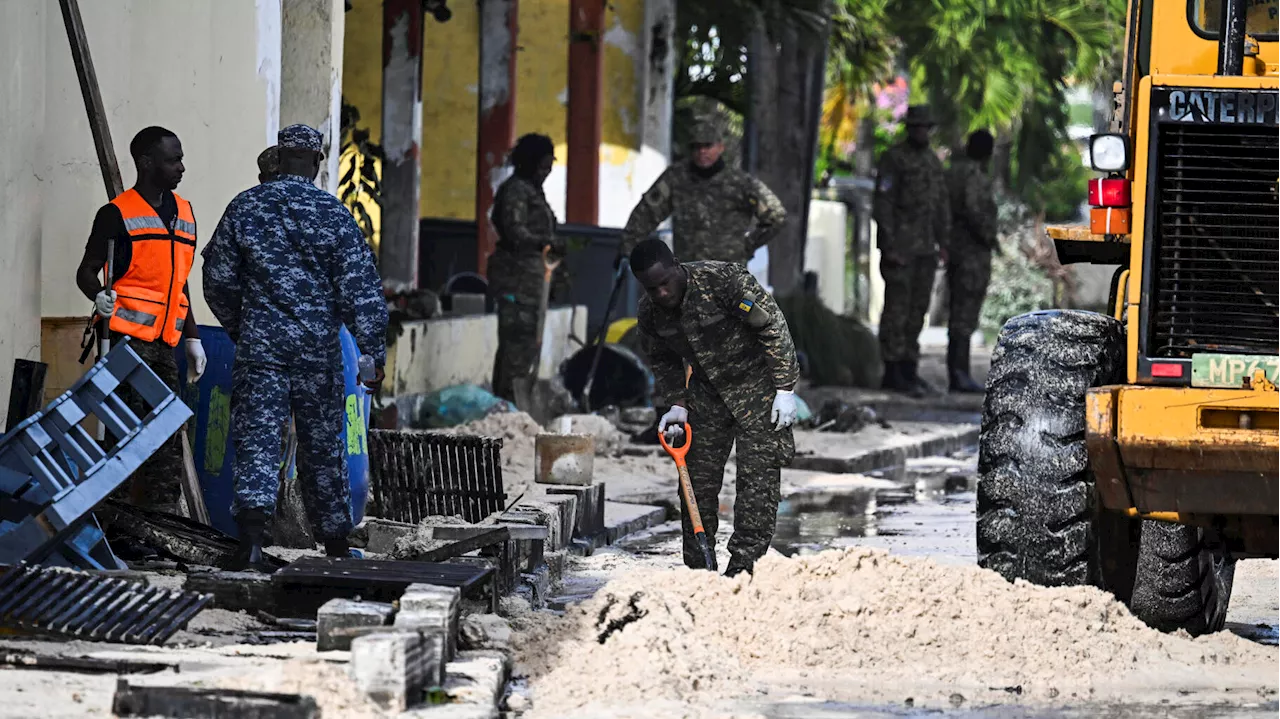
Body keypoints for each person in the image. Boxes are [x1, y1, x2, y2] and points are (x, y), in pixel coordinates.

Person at [202, 124, 388, 571]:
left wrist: (241, 328)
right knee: (324, 446)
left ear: (280, 158)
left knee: (256, 444)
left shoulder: (245, 206)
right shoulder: (334, 213)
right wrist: (371, 359)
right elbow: (363, 294)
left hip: (260, 351)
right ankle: (337, 547)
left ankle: (249, 545)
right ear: (318, 162)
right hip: (317, 353)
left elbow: (217, 280)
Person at [632, 238, 800, 577]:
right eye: (653, 288)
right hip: (707, 394)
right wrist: (677, 404)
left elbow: (771, 326)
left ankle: (744, 567)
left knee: (758, 482)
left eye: (665, 282)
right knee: (696, 482)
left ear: (677, 266)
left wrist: (784, 388)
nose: (662, 293)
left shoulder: (723, 281)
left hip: (757, 388)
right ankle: (699, 569)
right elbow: (662, 359)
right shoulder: (651, 314)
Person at [75, 125, 207, 527]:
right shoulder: (116, 214)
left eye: (181, 158)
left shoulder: (184, 213)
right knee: (122, 438)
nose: (181, 167)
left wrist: (193, 337)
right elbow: (85, 272)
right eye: (173, 160)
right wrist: (98, 295)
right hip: (126, 345)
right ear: (146, 163)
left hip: (164, 345)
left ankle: (161, 525)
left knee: (167, 438)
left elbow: (178, 280)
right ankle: (116, 526)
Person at [618, 117, 787, 265]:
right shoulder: (676, 178)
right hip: (688, 271)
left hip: (728, 273)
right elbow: (646, 214)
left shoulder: (740, 183)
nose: (702, 152)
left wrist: (748, 246)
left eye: (708, 145)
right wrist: (627, 250)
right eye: (696, 147)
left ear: (720, 147)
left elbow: (776, 216)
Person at [873, 105, 951, 396]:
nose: (922, 132)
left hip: (925, 250)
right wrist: (889, 246)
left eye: (926, 127)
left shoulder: (932, 162)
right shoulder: (894, 159)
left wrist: (944, 243)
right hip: (901, 249)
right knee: (897, 310)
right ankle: (892, 370)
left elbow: (941, 205)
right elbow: (883, 204)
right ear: (909, 128)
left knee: (917, 310)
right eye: (917, 127)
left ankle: (909, 369)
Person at [487, 133, 562, 403]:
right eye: (542, 166)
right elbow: (514, 230)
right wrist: (544, 243)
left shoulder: (533, 190)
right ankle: (508, 400)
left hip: (533, 283)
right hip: (516, 281)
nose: (547, 172)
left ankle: (516, 400)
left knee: (528, 343)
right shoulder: (516, 190)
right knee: (516, 343)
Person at [945, 130, 999, 393]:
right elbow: (974, 210)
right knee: (964, 314)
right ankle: (959, 374)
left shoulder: (954, 171)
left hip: (957, 249)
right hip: (971, 252)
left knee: (958, 312)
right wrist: (989, 237)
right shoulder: (973, 175)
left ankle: (958, 372)